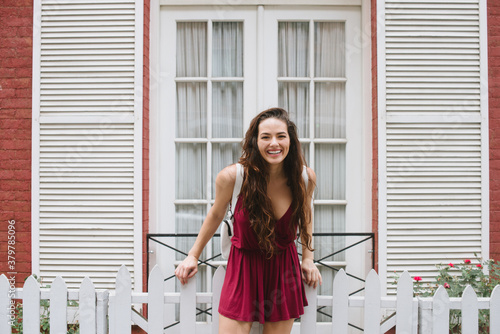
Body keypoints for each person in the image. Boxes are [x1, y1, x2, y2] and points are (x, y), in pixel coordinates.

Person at [175, 107, 322, 334]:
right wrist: (193, 255)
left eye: (281, 136)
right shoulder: (233, 177)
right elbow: (215, 215)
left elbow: (306, 214)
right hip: (243, 268)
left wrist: (308, 258)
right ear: (255, 141)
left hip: (284, 269)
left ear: (291, 141)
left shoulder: (304, 178)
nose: (274, 143)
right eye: (266, 137)